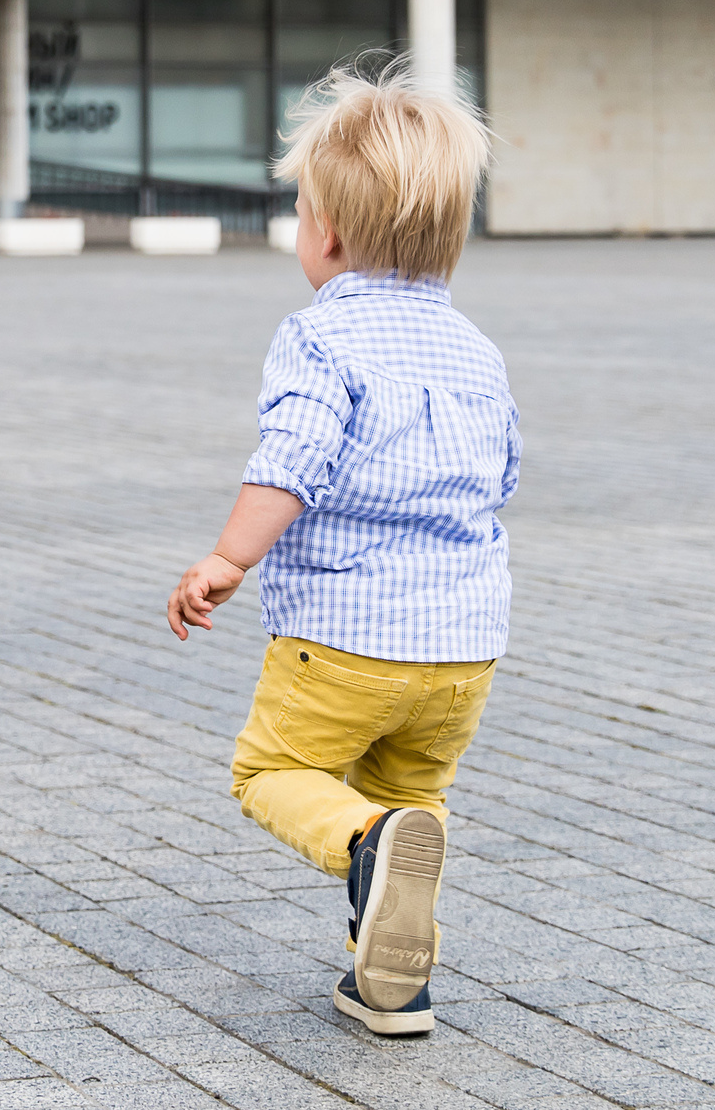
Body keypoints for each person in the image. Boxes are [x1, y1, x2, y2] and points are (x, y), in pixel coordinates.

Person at [164, 68, 513, 1038]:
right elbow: (504, 470)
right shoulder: (475, 348)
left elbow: (292, 458)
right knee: (415, 798)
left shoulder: (320, 336)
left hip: (343, 635)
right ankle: (392, 984)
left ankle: (362, 845)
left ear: (323, 235)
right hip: (462, 649)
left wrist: (229, 558)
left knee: (270, 774)